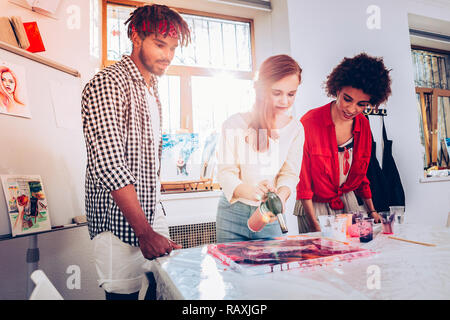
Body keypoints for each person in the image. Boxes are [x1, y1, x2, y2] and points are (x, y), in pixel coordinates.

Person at [81, 4, 190, 300]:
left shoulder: (151, 89)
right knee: (123, 298)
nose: (167, 55)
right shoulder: (108, 82)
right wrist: (144, 233)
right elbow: (109, 163)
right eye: (159, 44)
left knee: (161, 293)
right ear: (135, 36)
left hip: (152, 216)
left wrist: (153, 227)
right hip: (120, 226)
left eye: (172, 47)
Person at [294, 53, 392, 233]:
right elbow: (304, 183)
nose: (351, 109)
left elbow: (361, 173)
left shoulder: (363, 124)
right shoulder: (309, 122)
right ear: (337, 89)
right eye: (347, 99)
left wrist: (371, 210)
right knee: (322, 259)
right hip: (314, 206)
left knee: (357, 257)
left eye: (361, 104)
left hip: (349, 202)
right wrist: (314, 223)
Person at [216, 54, 304, 242]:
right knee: (231, 270)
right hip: (232, 213)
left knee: (273, 270)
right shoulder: (234, 124)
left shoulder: (295, 129)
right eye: (277, 93)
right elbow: (225, 174)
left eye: (291, 94)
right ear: (262, 90)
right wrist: (254, 192)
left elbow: (290, 174)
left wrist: (280, 197)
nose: (285, 102)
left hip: (270, 215)